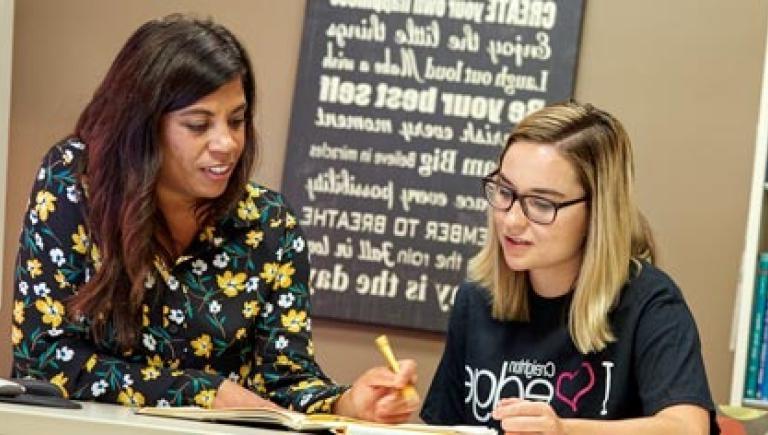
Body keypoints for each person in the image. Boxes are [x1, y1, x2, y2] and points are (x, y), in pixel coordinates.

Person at [10, 14, 417, 422]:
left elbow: (284, 382)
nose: (227, 143)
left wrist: (348, 404)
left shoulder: (270, 224)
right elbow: (44, 358)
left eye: (237, 120)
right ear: (142, 127)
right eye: (198, 125)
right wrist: (205, 391)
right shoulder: (75, 181)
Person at [420, 102, 718, 434]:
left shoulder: (650, 302)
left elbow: (688, 428)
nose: (512, 220)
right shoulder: (476, 297)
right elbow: (443, 428)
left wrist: (565, 431)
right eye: (505, 192)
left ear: (597, 213)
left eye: (541, 203)